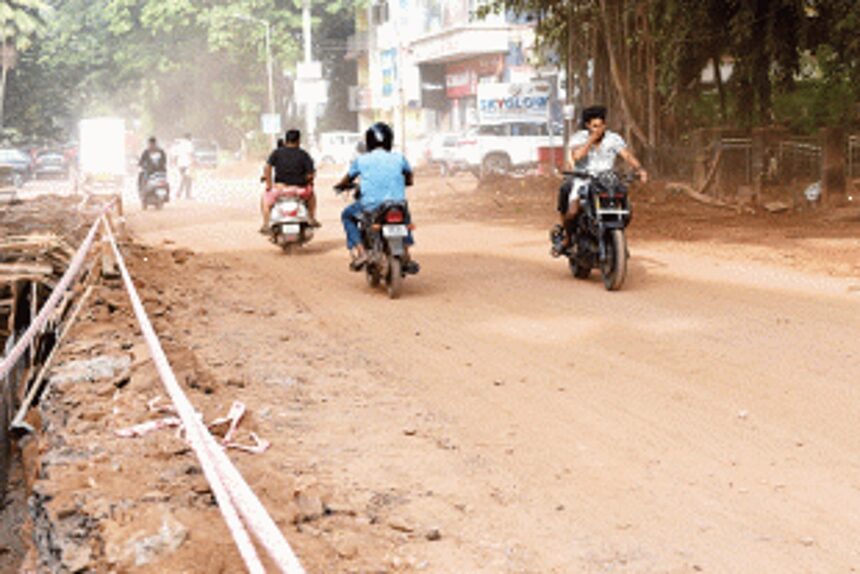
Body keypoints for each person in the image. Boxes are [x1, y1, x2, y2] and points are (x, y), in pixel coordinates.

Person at [551, 106, 648, 257]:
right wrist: (591, 140)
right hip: (584, 180)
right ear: (588, 126)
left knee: (626, 208)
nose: (599, 129)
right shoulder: (579, 138)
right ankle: (568, 239)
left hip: (607, 181)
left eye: (601, 125)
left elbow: (627, 156)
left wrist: (640, 169)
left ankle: (616, 241)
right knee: (573, 211)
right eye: (595, 126)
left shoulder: (613, 139)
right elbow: (577, 156)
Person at [335, 122, 418, 272]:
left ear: (369, 141)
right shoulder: (399, 158)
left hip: (371, 206)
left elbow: (347, 178)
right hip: (397, 204)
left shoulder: (361, 160)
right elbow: (410, 178)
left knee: (347, 215)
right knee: (404, 217)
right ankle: (406, 252)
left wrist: (341, 185)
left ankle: (361, 252)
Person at [261, 129, 318, 232]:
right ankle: (311, 218)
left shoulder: (277, 153)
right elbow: (310, 174)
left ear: (286, 140)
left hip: (280, 190)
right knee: (312, 196)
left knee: (265, 200)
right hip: (299, 190)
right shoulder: (304, 155)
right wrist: (307, 181)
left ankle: (266, 223)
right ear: (298, 140)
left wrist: (268, 184)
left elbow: (267, 168)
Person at [174, 133, 194, 200]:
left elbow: (175, 155)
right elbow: (189, 154)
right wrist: (192, 162)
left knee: (184, 179)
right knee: (188, 179)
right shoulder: (189, 144)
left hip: (180, 164)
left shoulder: (179, 144)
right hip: (186, 164)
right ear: (189, 138)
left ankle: (179, 193)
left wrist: (175, 163)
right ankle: (187, 195)